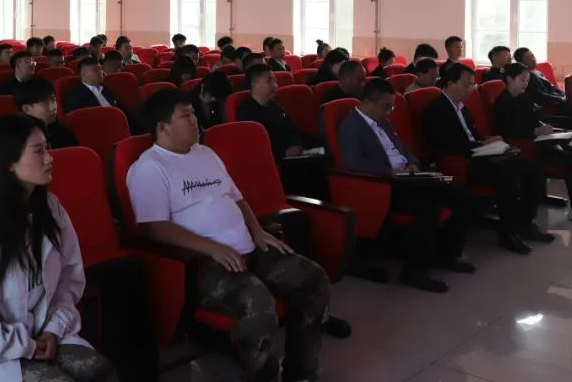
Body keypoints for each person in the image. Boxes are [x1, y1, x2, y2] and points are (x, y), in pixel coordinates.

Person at [128, 88, 328, 382]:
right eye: (185, 116)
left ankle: (301, 373)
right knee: (257, 303)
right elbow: (154, 227)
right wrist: (212, 248)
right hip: (206, 262)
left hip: (247, 247)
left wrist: (257, 231)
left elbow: (237, 198)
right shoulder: (149, 167)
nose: (195, 120)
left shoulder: (205, 153)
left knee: (312, 279)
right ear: (163, 127)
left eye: (193, 113)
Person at [0, 114, 117, 382]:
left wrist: (54, 329)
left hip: (46, 333)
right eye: (38, 151)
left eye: (47, 148)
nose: (50, 158)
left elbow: (69, 280)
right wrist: (26, 345)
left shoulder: (51, 208)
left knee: (101, 371)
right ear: (9, 162)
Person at [337, 79, 474, 292]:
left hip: (408, 177)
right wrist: (391, 172)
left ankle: (447, 255)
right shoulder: (351, 125)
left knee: (461, 196)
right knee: (429, 207)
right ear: (368, 103)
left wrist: (412, 162)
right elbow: (353, 163)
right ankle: (415, 271)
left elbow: (402, 148)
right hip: (386, 185)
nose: (389, 112)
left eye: (392, 107)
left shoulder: (382, 120)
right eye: (386, 106)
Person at [423, 63, 553, 255]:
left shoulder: (463, 108)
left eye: (472, 85)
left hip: (481, 155)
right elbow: (445, 144)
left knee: (533, 169)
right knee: (508, 177)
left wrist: (488, 141)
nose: (470, 89)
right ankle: (508, 234)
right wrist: (479, 145)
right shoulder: (437, 109)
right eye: (467, 85)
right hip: (464, 162)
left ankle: (525, 223)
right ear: (450, 83)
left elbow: (472, 136)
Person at [493, 63, 572, 226]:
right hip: (528, 148)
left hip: (544, 142)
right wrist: (535, 132)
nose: (525, 84)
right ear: (509, 79)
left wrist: (546, 127)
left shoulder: (523, 98)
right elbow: (508, 132)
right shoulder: (502, 102)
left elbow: (534, 121)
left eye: (527, 80)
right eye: (522, 80)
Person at [237, 64, 311, 161]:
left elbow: (291, 129)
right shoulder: (246, 112)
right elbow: (256, 144)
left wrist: (298, 145)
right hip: (273, 159)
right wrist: (284, 152)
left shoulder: (275, 105)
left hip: (292, 155)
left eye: (275, 80)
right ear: (255, 84)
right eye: (269, 81)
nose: (275, 85)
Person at [15, 78, 79, 150]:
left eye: (53, 99)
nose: (53, 107)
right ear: (26, 109)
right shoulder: (19, 141)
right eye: (45, 102)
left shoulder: (64, 134)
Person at [514, 48, 572, 121]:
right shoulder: (527, 77)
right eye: (527, 58)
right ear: (521, 63)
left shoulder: (538, 72)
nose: (533, 59)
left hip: (556, 99)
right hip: (549, 105)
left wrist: (564, 95)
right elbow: (540, 95)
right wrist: (560, 99)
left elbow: (552, 88)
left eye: (532, 56)